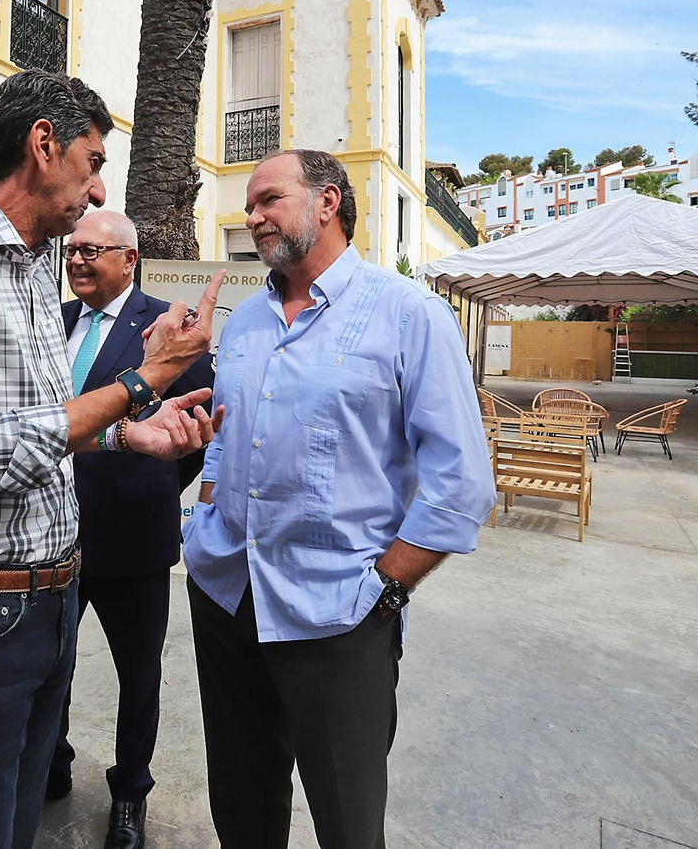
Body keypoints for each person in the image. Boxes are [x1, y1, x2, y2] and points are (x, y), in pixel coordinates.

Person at [0, 69, 223, 849]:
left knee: (16, 828)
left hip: (44, 604)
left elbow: (35, 426)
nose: (97, 190)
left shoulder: (31, 264)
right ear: (43, 144)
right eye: (92, 162)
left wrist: (125, 435)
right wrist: (140, 384)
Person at [182, 149, 495, 849]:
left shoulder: (409, 314)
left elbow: (462, 484)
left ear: (328, 201)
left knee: (348, 823)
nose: (252, 215)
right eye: (249, 205)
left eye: (268, 199)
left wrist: (384, 590)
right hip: (229, 597)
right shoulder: (249, 321)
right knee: (242, 802)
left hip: (339, 615)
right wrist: (199, 522)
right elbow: (227, 445)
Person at [47, 210, 214, 849]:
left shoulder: (169, 328)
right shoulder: (53, 321)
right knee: (49, 664)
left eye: (93, 249)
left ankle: (129, 794)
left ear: (129, 258)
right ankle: (53, 761)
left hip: (134, 538)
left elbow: (194, 429)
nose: (78, 258)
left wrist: (152, 485)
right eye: (73, 248)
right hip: (51, 534)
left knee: (137, 675)